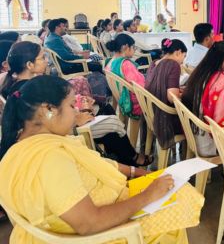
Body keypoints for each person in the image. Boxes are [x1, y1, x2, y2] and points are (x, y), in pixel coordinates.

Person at [0, 75, 204, 243]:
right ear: (49, 110)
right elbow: (88, 223)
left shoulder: (23, 146)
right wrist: (148, 195)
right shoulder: (49, 159)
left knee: (175, 191)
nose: (77, 112)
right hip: (101, 233)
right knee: (177, 208)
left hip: (98, 211)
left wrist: (137, 172)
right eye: (72, 105)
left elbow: (98, 164)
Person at [0, 41, 151, 167]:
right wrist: (78, 118)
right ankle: (130, 159)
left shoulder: (17, 84)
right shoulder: (29, 89)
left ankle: (123, 159)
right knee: (112, 123)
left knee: (106, 113)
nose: (47, 60)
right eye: (42, 58)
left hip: (54, 128)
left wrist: (79, 108)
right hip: (55, 133)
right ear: (29, 64)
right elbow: (48, 119)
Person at [183, 41, 224, 128]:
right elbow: (219, 119)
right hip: (209, 130)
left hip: (194, 124)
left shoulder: (201, 72)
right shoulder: (221, 80)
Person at [145, 38, 187, 149]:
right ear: (178, 52)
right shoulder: (173, 65)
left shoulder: (154, 63)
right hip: (165, 118)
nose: (183, 61)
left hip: (152, 113)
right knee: (193, 120)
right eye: (184, 56)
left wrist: (177, 89)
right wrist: (184, 93)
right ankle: (187, 154)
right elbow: (172, 98)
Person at [105, 34, 145, 119]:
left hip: (123, 99)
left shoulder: (110, 62)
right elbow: (141, 86)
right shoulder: (126, 64)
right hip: (134, 104)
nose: (134, 50)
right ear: (125, 47)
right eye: (133, 47)